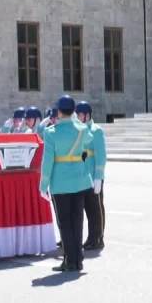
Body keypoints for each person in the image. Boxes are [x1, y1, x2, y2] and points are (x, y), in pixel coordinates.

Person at [39, 96, 94, 273]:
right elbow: (88, 139)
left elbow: (47, 161)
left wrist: (43, 185)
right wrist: (75, 121)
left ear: (59, 112)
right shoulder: (81, 129)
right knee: (77, 221)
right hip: (80, 180)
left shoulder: (51, 132)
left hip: (60, 183)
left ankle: (70, 261)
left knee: (65, 223)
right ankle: (78, 259)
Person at [75, 101, 106, 251]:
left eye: (80, 115)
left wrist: (98, 177)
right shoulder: (78, 130)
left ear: (87, 115)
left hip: (93, 176)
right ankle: (91, 238)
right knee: (87, 209)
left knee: (95, 209)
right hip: (82, 176)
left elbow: (101, 156)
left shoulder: (96, 131)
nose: (78, 117)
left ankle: (97, 238)